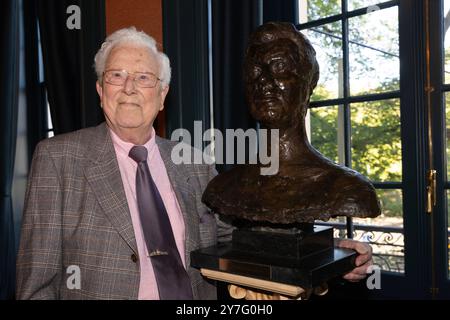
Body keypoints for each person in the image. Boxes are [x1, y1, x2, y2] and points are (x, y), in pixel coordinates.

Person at [16, 26, 371, 300]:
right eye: (116, 75)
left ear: (162, 94)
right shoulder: (58, 158)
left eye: (143, 78)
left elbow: (238, 240)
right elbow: (37, 283)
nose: (129, 89)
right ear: (99, 89)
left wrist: (331, 251)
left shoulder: (195, 164)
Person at [203, 22, 381, 224]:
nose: (264, 82)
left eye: (280, 68)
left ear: (307, 84)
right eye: (255, 71)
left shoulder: (347, 189)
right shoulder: (224, 187)